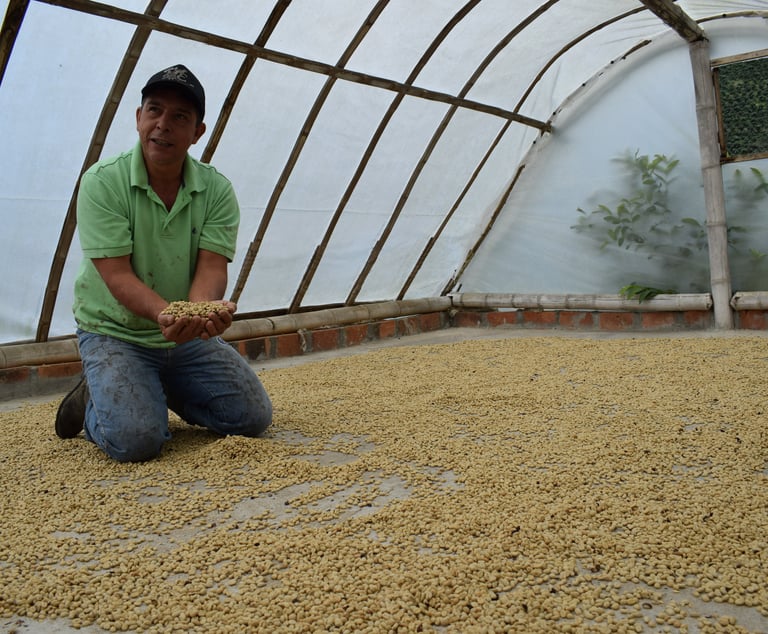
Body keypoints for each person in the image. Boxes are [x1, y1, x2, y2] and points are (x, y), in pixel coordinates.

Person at [54, 64, 272, 462]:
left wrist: (202, 313)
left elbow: (211, 266)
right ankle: (96, 401)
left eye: (180, 117)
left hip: (181, 334)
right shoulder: (103, 182)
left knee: (251, 417)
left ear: (197, 132)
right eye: (154, 110)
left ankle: (147, 386)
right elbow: (116, 275)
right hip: (115, 332)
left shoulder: (216, 189)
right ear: (139, 118)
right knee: (136, 442)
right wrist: (169, 314)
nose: (163, 125)